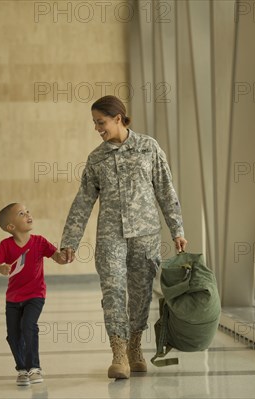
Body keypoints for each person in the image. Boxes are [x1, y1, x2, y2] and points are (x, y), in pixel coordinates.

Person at [60, 95, 187, 379]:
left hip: (146, 236)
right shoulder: (97, 158)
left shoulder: (149, 148)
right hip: (110, 237)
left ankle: (134, 349)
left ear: (118, 118)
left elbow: (166, 191)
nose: (97, 128)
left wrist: (177, 229)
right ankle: (118, 354)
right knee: (114, 292)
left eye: (100, 122)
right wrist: (69, 241)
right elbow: (83, 202)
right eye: (94, 123)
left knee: (141, 296)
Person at [0, 203, 67, 386]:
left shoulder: (39, 242)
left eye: (27, 211)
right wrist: (0, 268)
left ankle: (35, 367)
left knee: (28, 326)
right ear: (11, 227)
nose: (28, 215)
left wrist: (63, 257)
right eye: (21, 213)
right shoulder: (5, 245)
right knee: (13, 335)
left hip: (35, 295)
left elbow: (57, 257)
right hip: (13, 299)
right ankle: (22, 369)